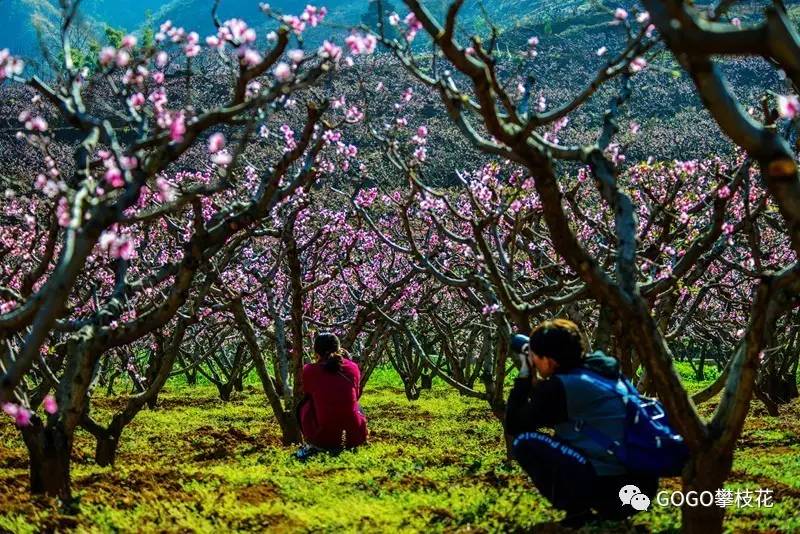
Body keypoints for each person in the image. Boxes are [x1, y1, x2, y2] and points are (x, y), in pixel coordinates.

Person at [505, 319, 658, 527]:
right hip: (642, 489)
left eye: (536, 357)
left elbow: (515, 424)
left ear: (549, 361)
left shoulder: (560, 387)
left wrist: (524, 374)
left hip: (613, 494)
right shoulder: (604, 371)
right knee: (566, 437)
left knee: (526, 441)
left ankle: (578, 513)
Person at [297, 332, 368, 453]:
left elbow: (306, 393)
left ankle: (310, 441)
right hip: (355, 437)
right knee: (357, 404)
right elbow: (356, 394)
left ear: (316, 352)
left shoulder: (309, 370)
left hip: (322, 439)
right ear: (339, 349)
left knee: (303, 404)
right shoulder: (353, 367)